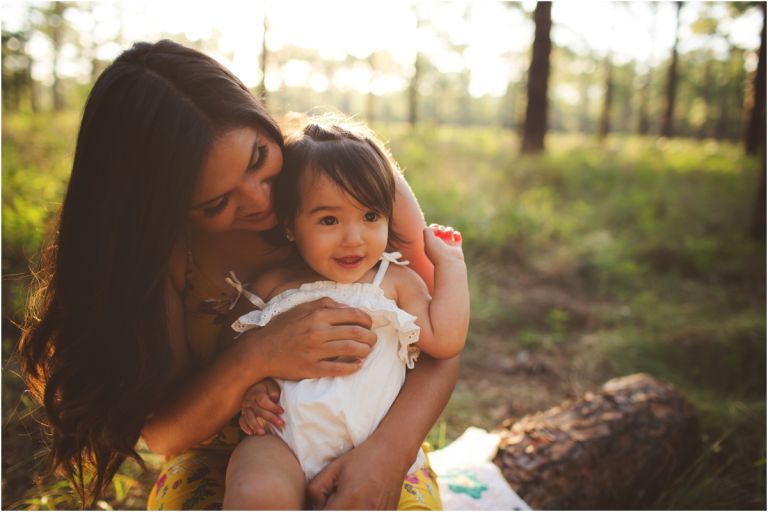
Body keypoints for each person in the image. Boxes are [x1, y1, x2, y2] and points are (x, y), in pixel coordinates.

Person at [18, 39, 460, 510]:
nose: (260, 202)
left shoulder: (351, 177)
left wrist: (387, 456)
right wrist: (258, 354)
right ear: (166, 211)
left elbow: (441, 347)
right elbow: (167, 436)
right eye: (216, 203)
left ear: (255, 114)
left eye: (258, 160)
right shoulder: (169, 263)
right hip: (238, 453)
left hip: (382, 440)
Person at [221, 117, 469, 509]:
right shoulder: (272, 285)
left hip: (368, 446)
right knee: (255, 492)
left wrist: (451, 266)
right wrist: (253, 392)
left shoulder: (395, 281)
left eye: (370, 216)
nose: (353, 238)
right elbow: (239, 357)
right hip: (280, 441)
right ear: (290, 225)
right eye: (329, 220)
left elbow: (447, 339)